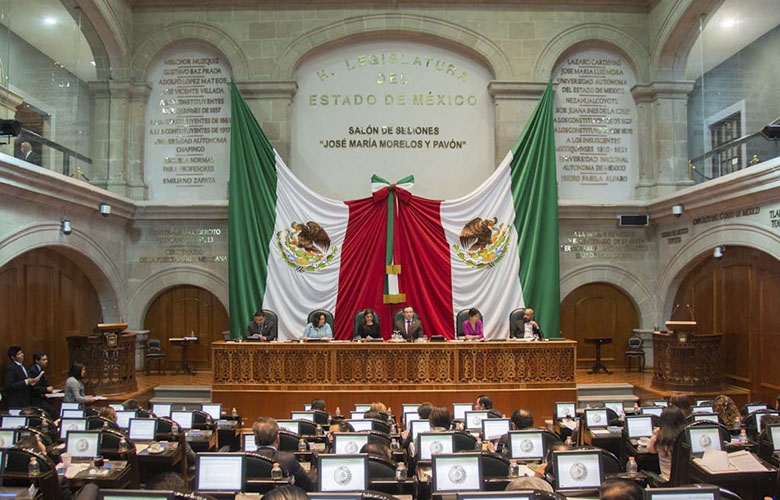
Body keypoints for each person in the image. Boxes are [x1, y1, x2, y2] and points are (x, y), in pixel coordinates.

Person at [253, 416, 315, 491]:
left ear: (255, 440)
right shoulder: (288, 459)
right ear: (277, 439)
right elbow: (307, 484)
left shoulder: (245, 459)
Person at [647, 406, 686, 482]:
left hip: (666, 481)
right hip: (687, 481)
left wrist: (655, 434)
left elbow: (650, 449)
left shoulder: (660, 438)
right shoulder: (686, 436)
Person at [28, 351, 56, 417]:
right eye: (44, 360)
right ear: (37, 360)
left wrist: (49, 387)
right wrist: (46, 389)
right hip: (34, 398)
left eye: (46, 359)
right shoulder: (33, 370)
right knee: (52, 411)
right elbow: (34, 387)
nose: (46, 361)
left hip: (41, 396)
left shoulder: (39, 369)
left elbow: (44, 382)